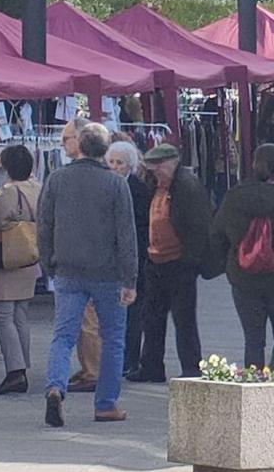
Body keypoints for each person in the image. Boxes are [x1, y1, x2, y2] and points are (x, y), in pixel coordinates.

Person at [38, 122, 137, 427]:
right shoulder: (116, 184)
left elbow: (44, 226)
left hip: (67, 268)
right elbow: (126, 234)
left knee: (63, 336)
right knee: (113, 338)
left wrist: (48, 265)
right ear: (105, 151)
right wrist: (129, 279)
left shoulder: (57, 179)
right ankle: (106, 403)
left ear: (79, 146)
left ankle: (55, 387)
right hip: (107, 272)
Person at [127, 144, 213, 383]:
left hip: (179, 263)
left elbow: (199, 227)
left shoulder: (187, 186)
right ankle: (151, 367)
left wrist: (190, 262)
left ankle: (191, 367)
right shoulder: (157, 185)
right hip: (156, 261)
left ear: (170, 164)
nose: (154, 174)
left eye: (157, 169)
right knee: (151, 317)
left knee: (183, 319)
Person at [0, 145, 42, 395]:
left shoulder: (6, 192)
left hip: (6, 257)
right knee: (20, 316)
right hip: (29, 258)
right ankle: (21, 366)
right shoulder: (37, 188)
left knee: (3, 316)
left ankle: (15, 371)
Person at [211, 144, 274, 368]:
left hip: (244, 277)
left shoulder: (236, 196)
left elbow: (217, 235)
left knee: (253, 340)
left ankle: (255, 387)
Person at [59, 118, 101, 395]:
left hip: (89, 260)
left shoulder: (87, 174)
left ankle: (94, 371)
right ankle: (90, 368)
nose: (62, 144)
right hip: (82, 258)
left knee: (89, 321)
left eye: (66, 138)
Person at [106, 141, 151, 375]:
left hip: (135, 259)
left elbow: (141, 229)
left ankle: (130, 359)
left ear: (130, 166)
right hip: (111, 260)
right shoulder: (106, 187)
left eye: (120, 163)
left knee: (133, 312)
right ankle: (118, 359)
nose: (115, 167)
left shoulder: (138, 190)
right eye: (111, 162)